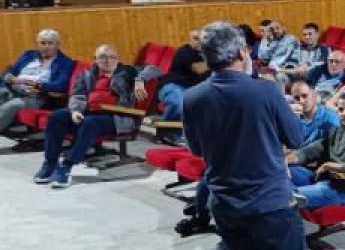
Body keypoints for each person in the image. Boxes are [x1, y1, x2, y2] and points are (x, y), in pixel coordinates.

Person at [182, 21, 343, 250]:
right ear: (242, 53)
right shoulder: (265, 92)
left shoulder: (192, 97)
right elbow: (296, 138)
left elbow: (196, 148)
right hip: (270, 202)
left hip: (225, 204)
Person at [33, 45, 138, 188]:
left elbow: (153, 70)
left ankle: (66, 165)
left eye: (112, 57)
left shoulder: (127, 73)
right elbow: (78, 94)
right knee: (57, 116)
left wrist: (140, 80)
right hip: (88, 111)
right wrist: (75, 111)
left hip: (116, 117)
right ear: (95, 59)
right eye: (103, 57)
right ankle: (50, 163)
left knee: (89, 123)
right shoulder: (86, 74)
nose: (108, 61)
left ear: (118, 59)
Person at [286, 92, 345, 208]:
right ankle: (288, 196)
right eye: (341, 110)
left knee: (286, 197)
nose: (344, 114)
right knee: (278, 173)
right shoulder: (337, 131)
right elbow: (310, 151)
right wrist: (286, 160)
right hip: (321, 179)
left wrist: (328, 166)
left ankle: (290, 199)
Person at [1, 29, 74, 132]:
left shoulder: (65, 62)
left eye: (50, 43)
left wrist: (38, 85)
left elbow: (61, 84)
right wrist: (11, 78)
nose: (46, 47)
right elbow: (9, 70)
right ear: (38, 44)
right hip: (13, 90)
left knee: (13, 105)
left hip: (37, 97)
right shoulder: (28, 55)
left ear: (57, 44)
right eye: (43, 43)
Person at [150, 29, 209, 122]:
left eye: (202, 39)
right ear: (189, 40)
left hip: (194, 92)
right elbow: (197, 69)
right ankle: (167, 126)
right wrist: (216, 62)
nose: (199, 41)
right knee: (178, 102)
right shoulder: (184, 51)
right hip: (173, 87)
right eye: (195, 39)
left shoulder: (209, 55)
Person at [278, 23, 328, 87]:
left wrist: (307, 64)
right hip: (296, 74)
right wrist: (296, 68)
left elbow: (323, 63)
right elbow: (291, 61)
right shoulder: (298, 47)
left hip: (312, 76)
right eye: (304, 35)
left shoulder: (324, 48)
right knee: (280, 76)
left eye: (310, 34)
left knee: (314, 72)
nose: (307, 37)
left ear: (317, 35)